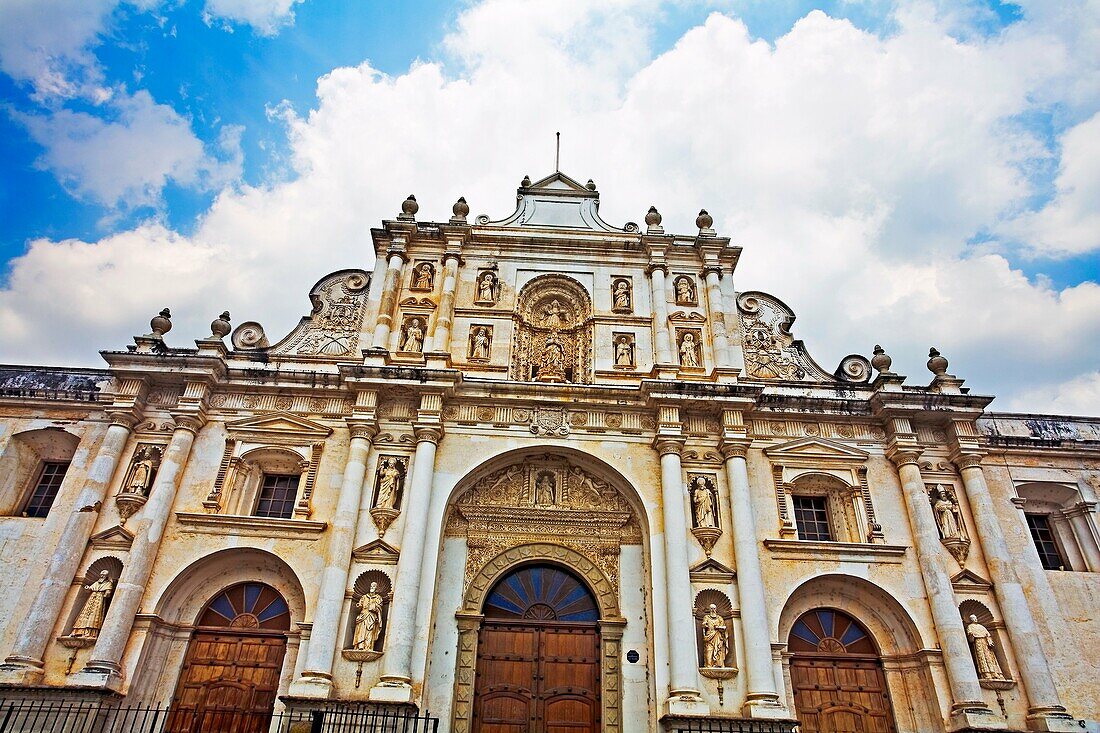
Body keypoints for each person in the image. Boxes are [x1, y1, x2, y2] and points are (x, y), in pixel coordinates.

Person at [71, 570, 113, 639]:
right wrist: (88, 588)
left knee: (95, 615)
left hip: (99, 599)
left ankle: (90, 633)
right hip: (91, 599)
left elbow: (108, 593)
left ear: (107, 576)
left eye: (103, 575)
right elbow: (90, 589)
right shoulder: (96, 583)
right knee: (85, 613)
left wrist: (107, 593)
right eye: (101, 574)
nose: (102, 576)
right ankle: (79, 631)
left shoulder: (108, 584)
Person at [966, 614, 1005, 680]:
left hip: (985, 643)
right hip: (978, 643)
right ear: (970, 620)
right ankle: (986, 673)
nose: (975, 619)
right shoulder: (970, 626)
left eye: (975, 618)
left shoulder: (982, 627)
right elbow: (970, 637)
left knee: (990, 658)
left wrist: (989, 641)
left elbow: (988, 635)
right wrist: (971, 635)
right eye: (973, 618)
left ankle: (995, 673)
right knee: (982, 658)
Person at [353, 582, 385, 651]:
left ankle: (368, 647)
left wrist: (375, 607)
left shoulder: (378, 598)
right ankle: (360, 646)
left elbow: (379, 608)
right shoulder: (364, 597)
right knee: (361, 631)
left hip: (372, 617)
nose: (372, 587)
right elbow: (360, 605)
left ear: (376, 588)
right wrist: (359, 606)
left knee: (370, 632)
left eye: (374, 586)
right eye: (371, 586)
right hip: (363, 616)